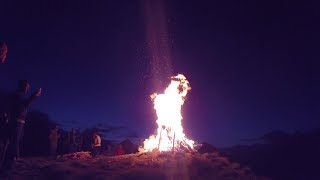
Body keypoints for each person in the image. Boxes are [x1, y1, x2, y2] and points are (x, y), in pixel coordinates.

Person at [1, 80, 41, 177]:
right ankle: (7, 170)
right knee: (12, 145)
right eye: (27, 86)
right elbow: (23, 107)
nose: (28, 88)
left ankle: (7, 166)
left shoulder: (18, 96)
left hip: (16, 123)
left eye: (28, 87)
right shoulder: (17, 96)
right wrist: (34, 96)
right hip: (16, 123)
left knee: (10, 144)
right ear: (23, 86)